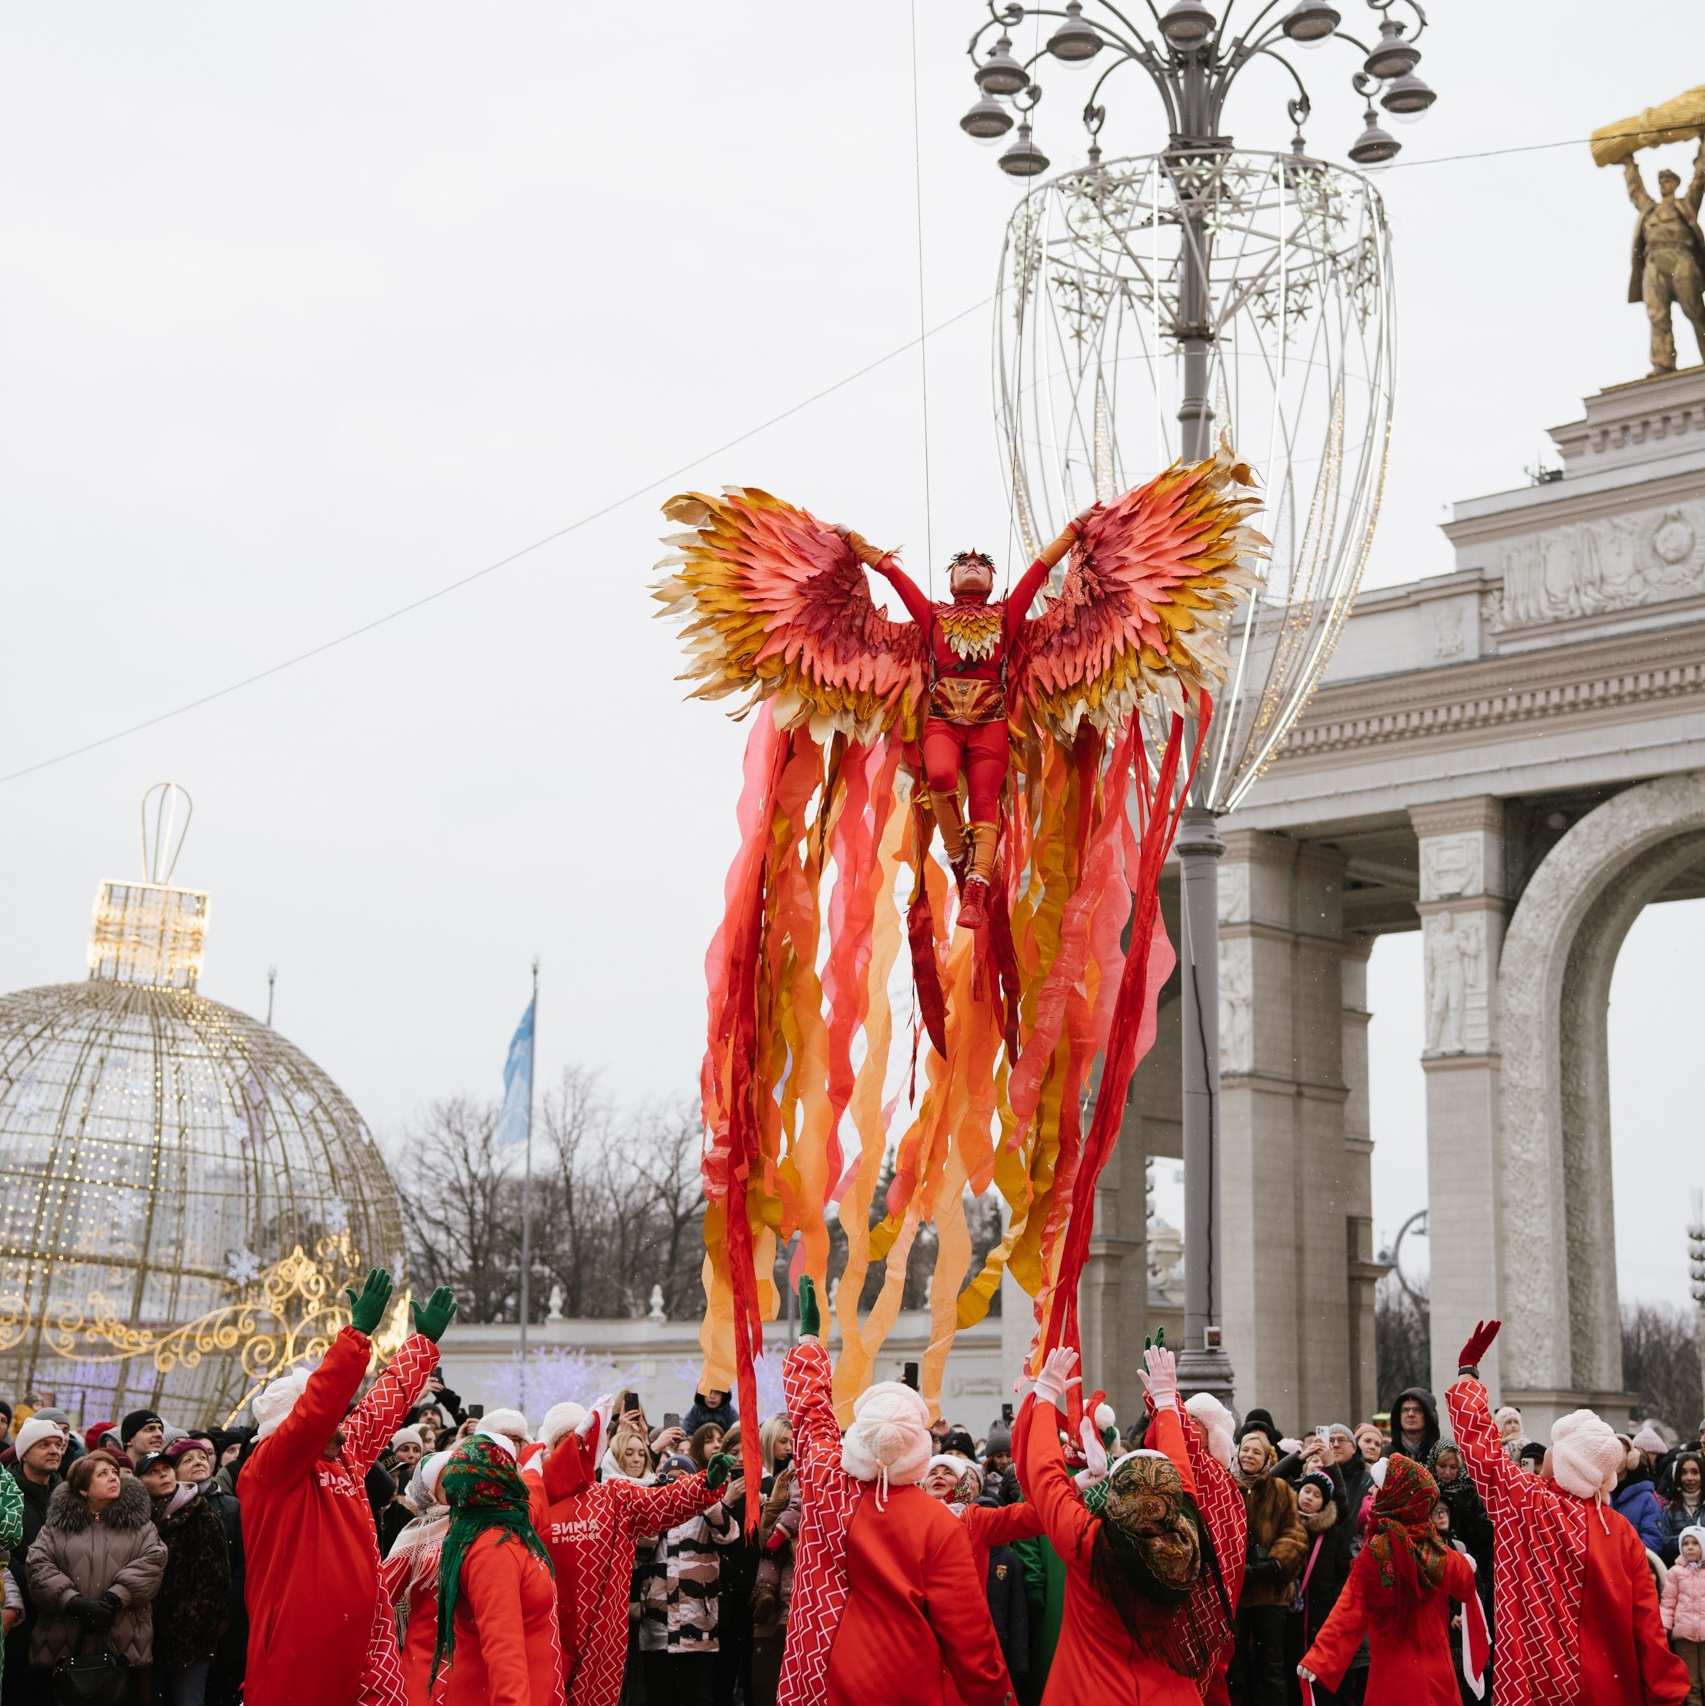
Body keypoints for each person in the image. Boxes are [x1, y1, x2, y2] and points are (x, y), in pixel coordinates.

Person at [834, 512, 1092, 926]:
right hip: (942, 719)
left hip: (991, 723)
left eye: (982, 563)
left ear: (991, 581)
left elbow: (1041, 568)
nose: (972, 562)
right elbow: (894, 577)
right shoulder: (934, 616)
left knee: (985, 805)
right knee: (938, 777)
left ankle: (975, 888)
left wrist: (1075, 528)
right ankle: (958, 858)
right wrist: (855, 542)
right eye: (963, 562)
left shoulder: (1007, 616)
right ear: (951, 580)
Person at [777, 1277, 1014, 1706]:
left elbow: (811, 1414)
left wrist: (810, 1341)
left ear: (859, 1437)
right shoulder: (940, 1523)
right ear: (920, 1449)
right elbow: (970, 1634)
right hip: (904, 1680)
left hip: (816, 1675)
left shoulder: (827, 1482)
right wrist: (994, 1696)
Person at [1446, 1316, 1691, 1705]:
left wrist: (1468, 1377)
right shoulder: (1619, 1529)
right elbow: (1646, 1622)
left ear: (1567, 1462)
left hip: (1535, 1685)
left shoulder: (1526, 1501)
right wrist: (1668, 1693)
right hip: (1607, 1688)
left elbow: (1482, 1452)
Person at [240, 1269, 456, 1706]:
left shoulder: (341, 1454)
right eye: (331, 1420)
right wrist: (355, 1335)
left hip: (367, 1633)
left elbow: (383, 1404)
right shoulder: (270, 1469)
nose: (343, 1427)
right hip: (302, 1642)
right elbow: (318, 1407)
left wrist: (422, 1346)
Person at [1014, 1340, 1231, 1705]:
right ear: (1170, 1498)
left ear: (1116, 1494)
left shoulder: (1089, 1541)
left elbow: (1045, 1478)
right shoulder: (1186, 1534)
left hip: (1090, 1691)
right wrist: (1165, 1403)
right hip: (1170, 1694)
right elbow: (1182, 1476)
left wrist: (1044, 1399)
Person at [524, 1396, 733, 1706]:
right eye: (564, 1441)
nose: (573, 1448)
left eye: (579, 1440)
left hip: (602, 1634)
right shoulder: (530, 1500)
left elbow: (662, 1503)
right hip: (546, 1629)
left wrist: (703, 1485)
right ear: (549, 1447)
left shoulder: (615, 1495)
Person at [1297, 1453, 1486, 1706]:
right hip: (1439, 1670)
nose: (1371, 1492)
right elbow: (1464, 1584)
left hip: (1396, 1673)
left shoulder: (1378, 1551)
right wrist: (1466, 1564)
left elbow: (1351, 1607)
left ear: (1395, 1496)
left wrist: (1321, 1656)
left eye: (1377, 1487)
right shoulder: (1434, 1546)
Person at [428, 1435, 561, 1706]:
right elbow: (503, 1650)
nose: (520, 1474)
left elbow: (534, 1506)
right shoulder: (493, 1548)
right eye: (512, 1468)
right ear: (500, 1483)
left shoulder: (499, 1527)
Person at [24, 1455, 167, 1701]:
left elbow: (154, 1561)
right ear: (82, 1488)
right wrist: (72, 1601)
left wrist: (115, 1597)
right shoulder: (55, 1528)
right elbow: (38, 1566)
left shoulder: (142, 1526)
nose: (113, 1476)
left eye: (114, 1472)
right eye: (102, 1474)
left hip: (122, 1642)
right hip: (65, 1641)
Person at [635, 1451, 742, 1706]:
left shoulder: (706, 1514)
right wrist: (658, 1505)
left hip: (698, 1633)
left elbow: (729, 1534)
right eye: (669, 1479)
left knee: (697, 1699)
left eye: (682, 1479)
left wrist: (706, 1494)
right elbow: (639, 1551)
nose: (676, 1485)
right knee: (658, 1698)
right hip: (657, 1632)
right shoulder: (653, 1510)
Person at [139, 1449, 231, 1706]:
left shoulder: (200, 1512)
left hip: (190, 1637)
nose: (163, 1476)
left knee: (188, 1700)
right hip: (146, 1635)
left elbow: (215, 1578)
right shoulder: (138, 1517)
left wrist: (192, 1622)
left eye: (166, 1469)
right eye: (153, 1473)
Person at [1228, 1429, 1306, 1704]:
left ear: (1267, 1459)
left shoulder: (1280, 1489)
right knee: (1233, 1666)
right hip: (1233, 1595)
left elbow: (1294, 1533)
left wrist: (1274, 1564)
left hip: (1271, 1593)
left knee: (1270, 1665)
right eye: (1245, 1449)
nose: (1249, 1455)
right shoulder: (1225, 1486)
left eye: (1256, 1452)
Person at [172, 1440, 244, 1706]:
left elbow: (243, 1564)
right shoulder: (167, 1509)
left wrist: (227, 1613)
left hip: (227, 1623)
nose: (198, 1462)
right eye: (188, 1460)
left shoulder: (233, 1506)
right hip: (181, 1626)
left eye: (201, 1457)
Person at [379, 1450, 450, 1706]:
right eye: (446, 1479)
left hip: (474, 1656)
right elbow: (381, 1596)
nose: (457, 1485)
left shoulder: (480, 1526)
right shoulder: (415, 1535)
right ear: (429, 1487)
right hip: (425, 1656)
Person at [5, 1411, 67, 1693]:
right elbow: (8, 1556)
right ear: (24, 1454)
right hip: (22, 1617)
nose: (54, 1450)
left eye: (58, 1444)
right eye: (44, 1445)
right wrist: (44, 1591)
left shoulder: (70, 1497)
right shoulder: (6, 1496)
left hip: (63, 1618)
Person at [1287, 1469, 1353, 1697]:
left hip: (1321, 1614)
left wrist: (1332, 1600)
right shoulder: (1286, 1524)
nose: (1309, 1497)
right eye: (1306, 1490)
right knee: (1289, 1674)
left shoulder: (1334, 1534)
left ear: (1324, 1503)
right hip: (1289, 1615)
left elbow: (1346, 1573)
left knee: (1317, 1679)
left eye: (1316, 1495)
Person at [1660, 1525, 1704, 1705]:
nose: (1690, 1547)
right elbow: (1668, 1602)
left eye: (1695, 1543)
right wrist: (1664, 1626)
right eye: (1685, 1543)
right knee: (1690, 1680)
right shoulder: (1675, 1573)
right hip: (1684, 1637)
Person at [1613, 1436, 1671, 1553]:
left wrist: (1624, 1557)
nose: (1613, 1458)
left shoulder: (1647, 1499)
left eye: (1618, 1452)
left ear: (1631, 1459)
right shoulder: (1597, 1494)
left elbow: (1653, 1540)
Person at [1666, 1453, 1705, 1564]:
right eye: (1684, 1473)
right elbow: (1664, 1542)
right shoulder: (1668, 1511)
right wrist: (1690, 1537)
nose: (1689, 1478)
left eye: (1695, 1472)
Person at [1385, 1390, 1440, 1464]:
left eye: (1417, 1410)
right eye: (1405, 1410)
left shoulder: (1440, 1453)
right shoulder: (1386, 1453)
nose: (1410, 1414)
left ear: (1428, 1415)